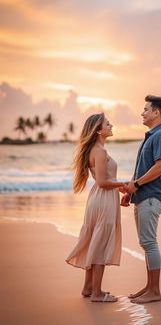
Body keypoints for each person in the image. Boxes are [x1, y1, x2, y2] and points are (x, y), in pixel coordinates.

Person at [66, 113, 127, 302]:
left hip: (98, 199)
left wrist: (120, 187)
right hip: (103, 200)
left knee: (95, 240)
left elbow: (103, 181)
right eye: (108, 124)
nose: (111, 126)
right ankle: (97, 293)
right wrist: (124, 184)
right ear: (99, 130)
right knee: (100, 243)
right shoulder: (100, 151)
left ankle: (88, 288)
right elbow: (102, 182)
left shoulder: (95, 149)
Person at [121, 95, 161, 304]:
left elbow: (160, 166)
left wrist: (137, 184)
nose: (142, 113)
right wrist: (131, 191)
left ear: (156, 113)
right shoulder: (153, 136)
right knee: (146, 243)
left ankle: (155, 291)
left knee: (150, 243)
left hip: (152, 196)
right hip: (143, 195)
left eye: (145, 109)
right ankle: (149, 287)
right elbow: (143, 168)